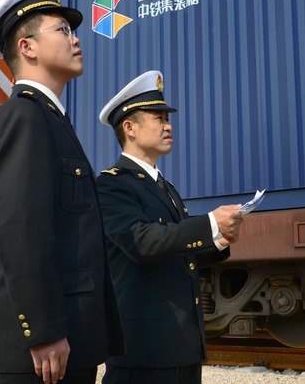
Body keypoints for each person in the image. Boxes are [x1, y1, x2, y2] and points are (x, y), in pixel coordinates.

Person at [0, 0, 123, 384]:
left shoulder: (48, 118)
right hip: (41, 355)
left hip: (60, 346)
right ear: (27, 47)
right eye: (63, 29)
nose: (77, 38)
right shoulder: (26, 116)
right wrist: (42, 331)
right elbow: (20, 230)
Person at [96, 70, 244, 384]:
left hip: (181, 346)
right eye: (158, 117)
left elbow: (176, 253)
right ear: (130, 128)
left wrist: (218, 239)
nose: (168, 125)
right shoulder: (111, 185)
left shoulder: (165, 187)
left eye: (167, 118)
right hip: (143, 350)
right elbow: (142, 242)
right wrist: (208, 224)